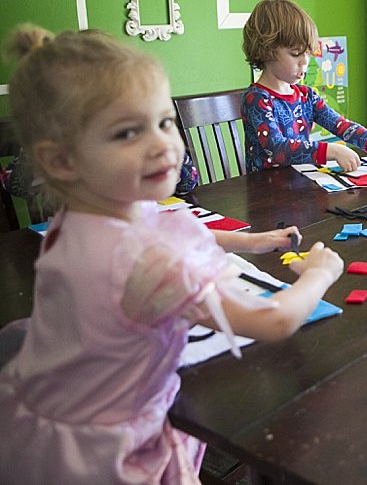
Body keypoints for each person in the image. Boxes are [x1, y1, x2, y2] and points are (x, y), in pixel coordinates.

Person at [0, 25, 345, 483]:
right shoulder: (145, 263)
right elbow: (273, 320)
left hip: (57, 402)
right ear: (62, 161)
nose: (163, 144)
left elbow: (166, 224)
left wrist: (253, 241)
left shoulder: (83, 215)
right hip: (110, 449)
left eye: (164, 122)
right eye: (127, 132)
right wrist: (317, 276)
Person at [241, 0, 367, 173]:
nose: (304, 63)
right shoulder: (256, 98)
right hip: (265, 193)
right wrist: (331, 150)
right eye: (295, 54)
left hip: (300, 185)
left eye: (308, 54)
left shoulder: (306, 96)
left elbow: (340, 125)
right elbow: (277, 149)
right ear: (266, 50)